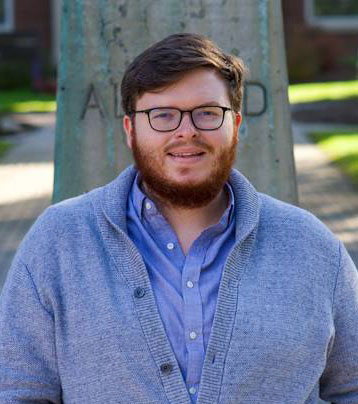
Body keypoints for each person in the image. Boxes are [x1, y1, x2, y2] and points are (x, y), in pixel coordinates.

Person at [0, 33, 357, 404]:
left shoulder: (311, 246)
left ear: (234, 125)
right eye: (163, 115)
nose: (186, 131)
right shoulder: (58, 241)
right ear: (130, 130)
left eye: (207, 112)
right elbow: (18, 392)